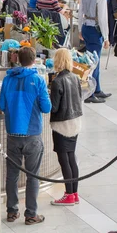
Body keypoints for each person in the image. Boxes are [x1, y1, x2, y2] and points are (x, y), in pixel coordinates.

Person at [0, 46, 51, 225]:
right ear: (34, 60)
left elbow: (2, 105)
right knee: (32, 175)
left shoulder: (7, 80)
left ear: (18, 59)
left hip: (13, 133)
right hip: (32, 134)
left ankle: (12, 212)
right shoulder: (38, 80)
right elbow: (46, 108)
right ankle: (31, 214)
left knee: (11, 175)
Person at [49, 49, 83, 206]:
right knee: (71, 157)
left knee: (64, 159)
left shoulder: (57, 81)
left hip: (61, 124)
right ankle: (74, 193)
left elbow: (54, 107)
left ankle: (68, 194)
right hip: (75, 122)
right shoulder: (75, 78)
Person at [78, 0, 111, 104]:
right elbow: (103, 18)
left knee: (92, 58)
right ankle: (90, 91)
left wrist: (80, 29)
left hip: (86, 26)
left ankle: (96, 89)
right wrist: (106, 36)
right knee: (93, 61)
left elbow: (80, 11)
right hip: (94, 29)